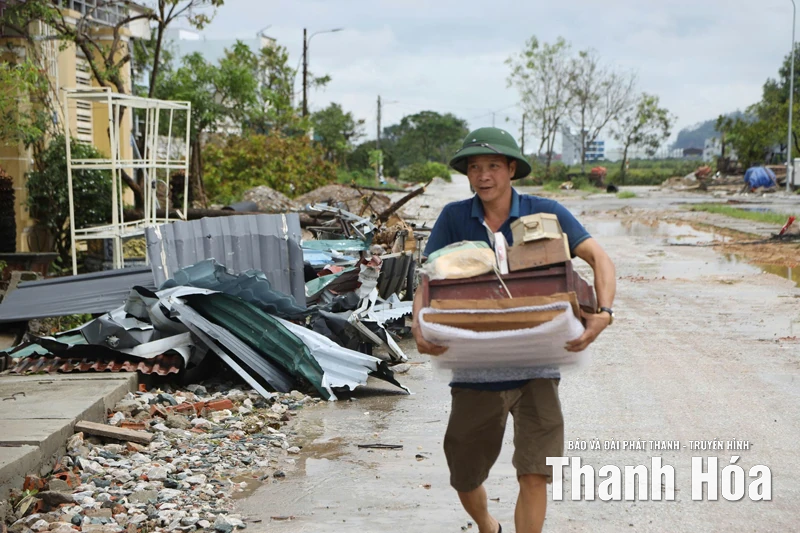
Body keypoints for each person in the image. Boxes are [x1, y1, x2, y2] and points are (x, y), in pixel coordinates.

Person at [411, 127, 616, 533]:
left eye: (492, 166)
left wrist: (604, 313)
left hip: (538, 368)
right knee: (464, 474)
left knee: (535, 471)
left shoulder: (545, 212)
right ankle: (488, 525)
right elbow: (427, 279)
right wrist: (419, 325)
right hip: (475, 369)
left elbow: (598, 257)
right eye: (474, 167)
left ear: (511, 169)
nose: (483, 175)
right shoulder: (454, 217)